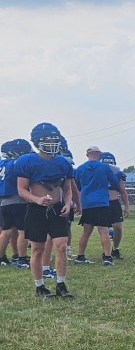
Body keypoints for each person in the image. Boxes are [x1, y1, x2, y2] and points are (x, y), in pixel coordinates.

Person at [14, 122, 75, 297]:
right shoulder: (27, 161)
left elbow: (68, 188)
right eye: (49, 140)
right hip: (36, 210)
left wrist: (67, 203)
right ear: (39, 141)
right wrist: (37, 199)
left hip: (56, 209)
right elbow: (21, 189)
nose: (53, 144)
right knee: (38, 249)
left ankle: (61, 284)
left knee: (61, 246)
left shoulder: (63, 162)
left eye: (55, 140)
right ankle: (39, 286)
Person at [73, 146, 120, 265]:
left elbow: (77, 185)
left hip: (87, 203)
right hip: (102, 202)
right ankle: (107, 257)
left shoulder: (80, 168)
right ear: (99, 154)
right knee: (103, 230)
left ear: (87, 155)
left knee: (86, 231)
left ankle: (80, 256)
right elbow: (115, 182)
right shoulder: (104, 167)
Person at [0, 139, 32, 268]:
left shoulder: (3, 163)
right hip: (18, 200)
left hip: (4, 202)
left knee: (6, 232)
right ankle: (22, 259)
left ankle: (2, 257)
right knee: (23, 231)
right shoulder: (18, 164)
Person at [100, 152, 130, 258]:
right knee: (103, 229)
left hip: (114, 203)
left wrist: (126, 206)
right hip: (101, 203)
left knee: (118, 228)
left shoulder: (118, 174)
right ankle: (106, 251)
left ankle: (115, 249)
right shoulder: (97, 173)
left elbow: (123, 191)